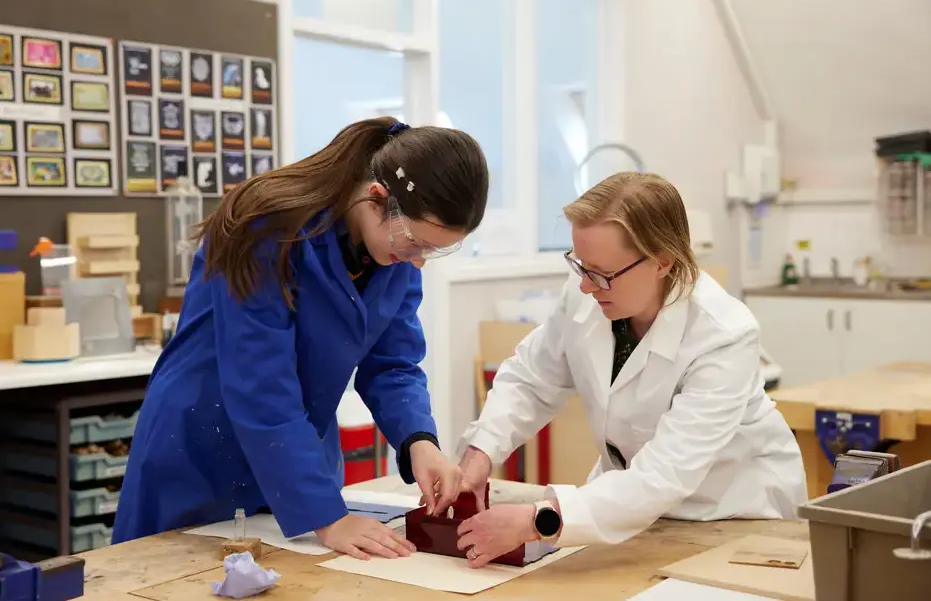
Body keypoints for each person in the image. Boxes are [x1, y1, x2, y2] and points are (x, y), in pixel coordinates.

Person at [113, 118, 489, 561]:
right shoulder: (265, 229)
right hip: (204, 447)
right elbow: (261, 385)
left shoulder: (395, 256)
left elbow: (392, 364)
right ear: (376, 199)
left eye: (434, 249)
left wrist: (419, 442)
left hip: (296, 453)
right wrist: (327, 517)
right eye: (415, 242)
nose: (419, 261)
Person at [453, 171, 807, 568]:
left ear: (661, 262)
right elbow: (533, 378)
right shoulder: (588, 293)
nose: (587, 286)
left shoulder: (724, 335)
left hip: (733, 515)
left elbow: (663, 475)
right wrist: (480, 451)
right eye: (580, 266)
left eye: (601, 273)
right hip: (630, 509)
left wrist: (537, 517)